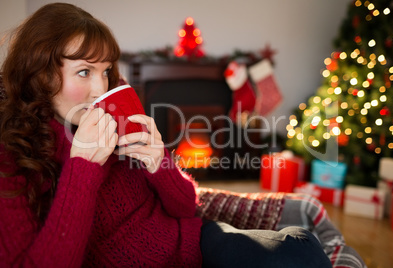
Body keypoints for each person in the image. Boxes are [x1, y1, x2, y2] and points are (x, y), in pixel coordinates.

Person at [0, 3, 332, 267]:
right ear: (40, 76)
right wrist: (82, 168)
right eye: (84, 72)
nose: (100, 88)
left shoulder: (115, 121)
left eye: (105, 71)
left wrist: (161, 163)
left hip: (193, 246)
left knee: (302, 251)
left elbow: (187, 207)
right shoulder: (12, 162)